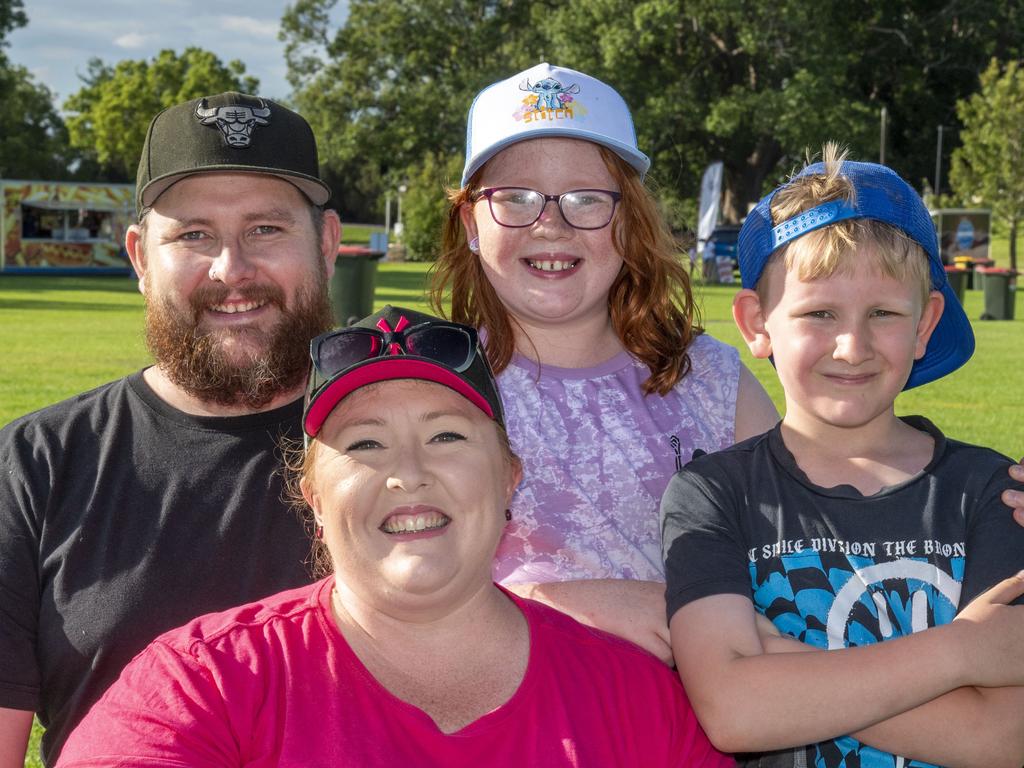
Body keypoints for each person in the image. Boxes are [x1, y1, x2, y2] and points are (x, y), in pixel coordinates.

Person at [431, 63, 1024, 663]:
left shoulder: (707, 378)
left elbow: (822, 520)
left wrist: (992, 504)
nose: (551, 223)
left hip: (697, 728)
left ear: (630, 220)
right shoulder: (429, 383)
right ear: (469, 221)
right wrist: (553, 599)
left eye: (587, 199)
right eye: (514, 199)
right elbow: (383, 587)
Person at [57, 305, 733, 768]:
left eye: (445, 436)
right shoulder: (205, 685)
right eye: (366, 444)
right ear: (315, 496)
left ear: (508, 481)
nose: (408, 473)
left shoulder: (636, 699)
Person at [0, 91, 341, 767]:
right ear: (139, 257)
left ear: (328, 245)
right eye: (193, 235)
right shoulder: (38, 462)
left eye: (266, 230)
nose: (231, 270)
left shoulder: (398, 443)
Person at [662, 147, 1024, 767]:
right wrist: (961, 652)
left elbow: (1002, 739)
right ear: (756, 323)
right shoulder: (714, 493)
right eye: (819, 314)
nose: (851, 346)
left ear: (925, 324)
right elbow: (734, 712)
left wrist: (780, 669)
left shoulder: (991, 489)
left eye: (883, 313)